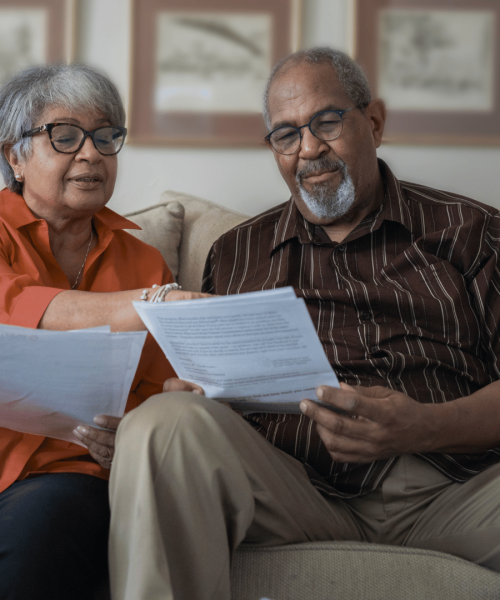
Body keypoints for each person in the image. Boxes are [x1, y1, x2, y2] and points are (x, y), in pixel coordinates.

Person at [108, 47, 500, 600]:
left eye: (327, 122)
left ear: (375, 122)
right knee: (163, 421)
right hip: (297, 490)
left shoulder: (470, 230)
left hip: (453, 489)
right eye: (287, 134)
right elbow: (216, 400)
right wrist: (198, 396)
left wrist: (424, 426)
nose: (309, 148)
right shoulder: (238, 252)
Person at [0, 63, 205, 599]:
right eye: (64, 136)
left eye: (106, 137)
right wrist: (147, 305)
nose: (91, 153)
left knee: (30, 564)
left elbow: (154, 391)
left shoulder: (146, 262)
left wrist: (130, 435)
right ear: (14, 155)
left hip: (64, 471)